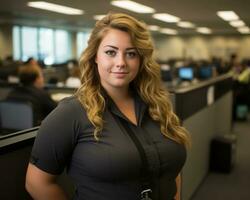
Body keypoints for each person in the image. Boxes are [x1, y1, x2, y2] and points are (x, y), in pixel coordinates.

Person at [25, 13, 190, 200]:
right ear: (95, 56)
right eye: (111, 52)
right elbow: (36, 182)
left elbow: (172, 171)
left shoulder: (158, 106)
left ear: (141, 59)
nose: (121, 63)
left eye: (131, 53)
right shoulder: (71, 113)